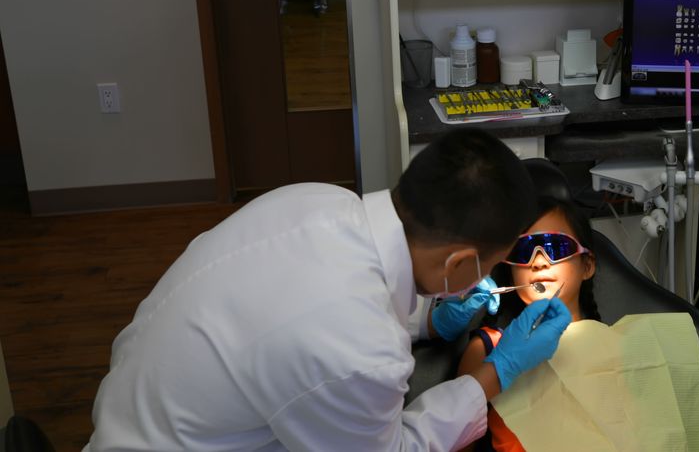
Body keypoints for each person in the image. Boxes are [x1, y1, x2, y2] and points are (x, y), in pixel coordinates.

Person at [84, 128, 572, 451]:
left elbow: (319, 303)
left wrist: (427, 317)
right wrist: (497, 371)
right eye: (491, 263)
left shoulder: (315, 199)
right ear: (460, 261)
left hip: (138, 407)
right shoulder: (362, 351)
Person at [457, 196, 599, 452]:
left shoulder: (611, 345)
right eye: (524, 250)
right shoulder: (489, 349)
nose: (539, 260)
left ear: (587, 265)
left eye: (555, 247)